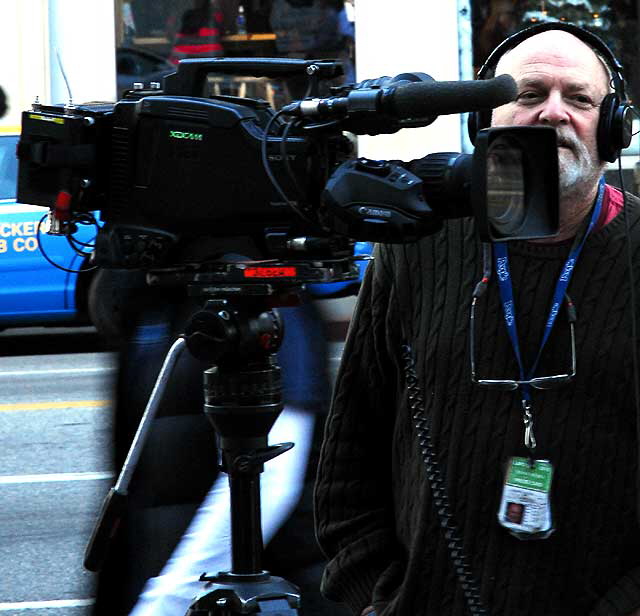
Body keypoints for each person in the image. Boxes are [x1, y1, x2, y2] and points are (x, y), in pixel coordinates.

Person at [314, 22, 640, 616]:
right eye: (528, 95)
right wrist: (379, 598)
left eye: (580, 99)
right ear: (481, 121)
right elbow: (349, 455)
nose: (553, 114)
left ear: (613, 126)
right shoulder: (415, 245)